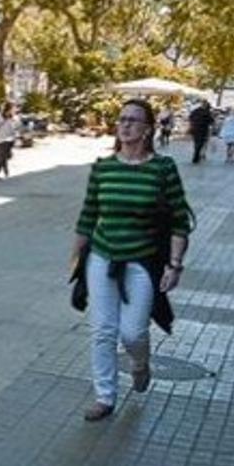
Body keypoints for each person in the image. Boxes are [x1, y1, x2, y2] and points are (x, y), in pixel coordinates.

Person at [71, 99, 193, 422]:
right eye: (121, 119)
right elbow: (88, 216)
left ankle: (140, 363)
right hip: (101, 256)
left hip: (142, 260)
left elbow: (180, 219)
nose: (125, 125)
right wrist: (75, 261)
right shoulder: (103, 167)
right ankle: (105, 396)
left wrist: (175, 264)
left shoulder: (162, 168)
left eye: (133, 121)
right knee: (102, 330)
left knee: (133, 333)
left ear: (147, 129)